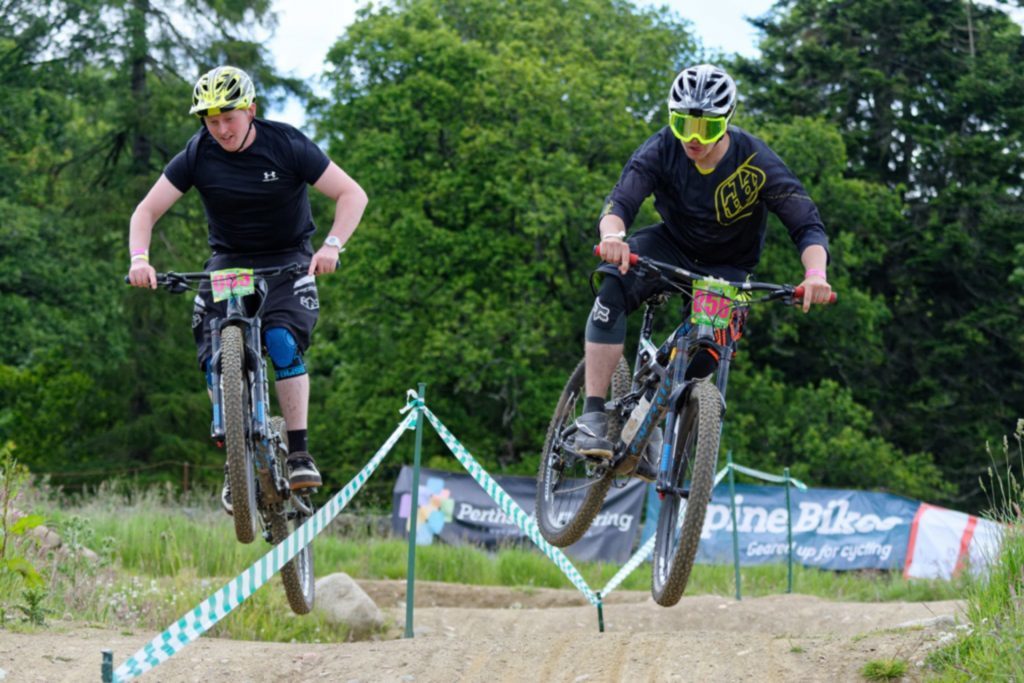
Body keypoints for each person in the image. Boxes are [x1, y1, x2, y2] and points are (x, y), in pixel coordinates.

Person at [126, 65, 368, 514]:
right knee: (214, 349)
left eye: (229, 118)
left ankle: (298, 452)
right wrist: (140, 259)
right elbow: (145, 212)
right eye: (211, 121)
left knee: (280, 340)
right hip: (230, 264)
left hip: (288, 260)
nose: (221, 130)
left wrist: (333, 245)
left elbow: (352, 194)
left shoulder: (286, 144)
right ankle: (234, 455)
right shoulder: (198, 154)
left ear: (251, 111)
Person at [576, 64, 833, 479]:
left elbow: (807, 225)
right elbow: (620, 201)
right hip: (670, 244)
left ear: (726, 121)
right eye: (683, 123)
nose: (693, 137)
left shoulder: (756, 160)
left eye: (706, 127)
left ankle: (648, 420)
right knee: (612, 284)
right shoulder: (662, 147)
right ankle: (592, 415)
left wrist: (816, 276)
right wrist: (614, 236)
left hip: (726, 267)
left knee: (707, 351)